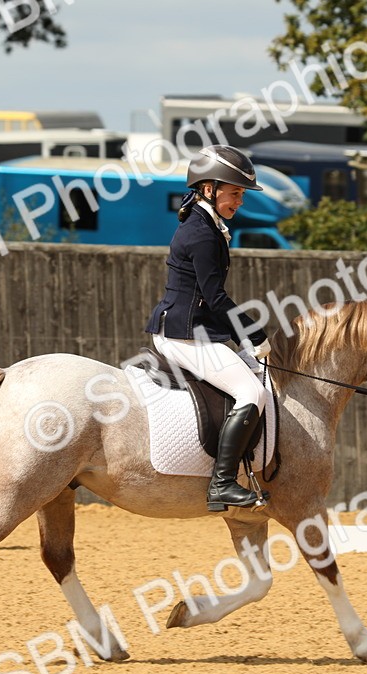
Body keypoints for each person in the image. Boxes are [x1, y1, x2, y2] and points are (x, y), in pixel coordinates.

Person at [144, 144, 272, 512]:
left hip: (194, 327)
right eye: (235, 193)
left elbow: (208, 300)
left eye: (242, 194)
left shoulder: (206, 224)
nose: (239, 202)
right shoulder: (200, 233)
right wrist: (253, 332)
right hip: (182, 333)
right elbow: (215, 297)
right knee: (251, 392)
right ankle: (222, 483)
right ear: (208, 188)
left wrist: (238, 338)